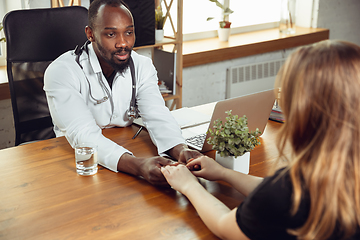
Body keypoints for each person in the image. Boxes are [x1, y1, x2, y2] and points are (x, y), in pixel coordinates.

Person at [161, 40, 360, 239]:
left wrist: (188, 185)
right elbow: (277, 192)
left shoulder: (285, 192)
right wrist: (223, 173)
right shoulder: (340, 173)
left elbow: (225, 226)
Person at [44, 0, 201, 185]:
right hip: (79, 165)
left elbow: (158, 115)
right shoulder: (62, 72)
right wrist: (138, 166)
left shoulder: (141, 66)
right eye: (111, 34)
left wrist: (181, 149)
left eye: (129, 32)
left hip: (125, 150)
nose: (123, 43)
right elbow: (83, 135)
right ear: (90, 34)